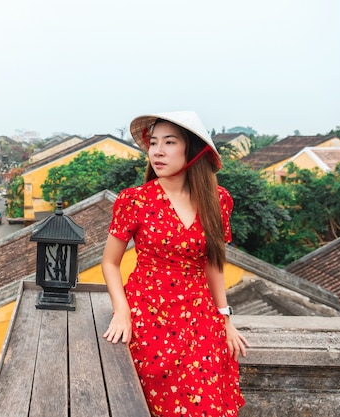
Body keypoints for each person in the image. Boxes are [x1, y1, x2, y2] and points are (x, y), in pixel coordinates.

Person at [102, 111, 250, 417]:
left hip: (200, 319)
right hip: (148, 317)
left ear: (192, 150)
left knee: (208, 405)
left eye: (169, 142)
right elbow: (110, 263)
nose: (157, 151)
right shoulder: (135, 200)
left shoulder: (218, 200)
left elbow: (213, 265)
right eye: (153, 143)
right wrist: (122, 311)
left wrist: (225, 319)